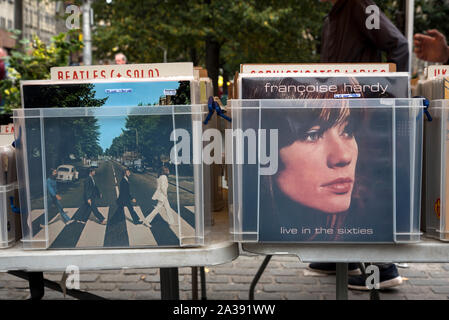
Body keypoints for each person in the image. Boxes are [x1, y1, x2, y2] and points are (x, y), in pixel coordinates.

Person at [308, 0, 408, 288]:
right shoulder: (335, 14)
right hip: (342, 111)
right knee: (341, 182)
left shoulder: (359, 5)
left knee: (365, 180)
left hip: (362, 112)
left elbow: (398, 45)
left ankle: (383, 269)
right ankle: (343, 257)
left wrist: (389, 98)